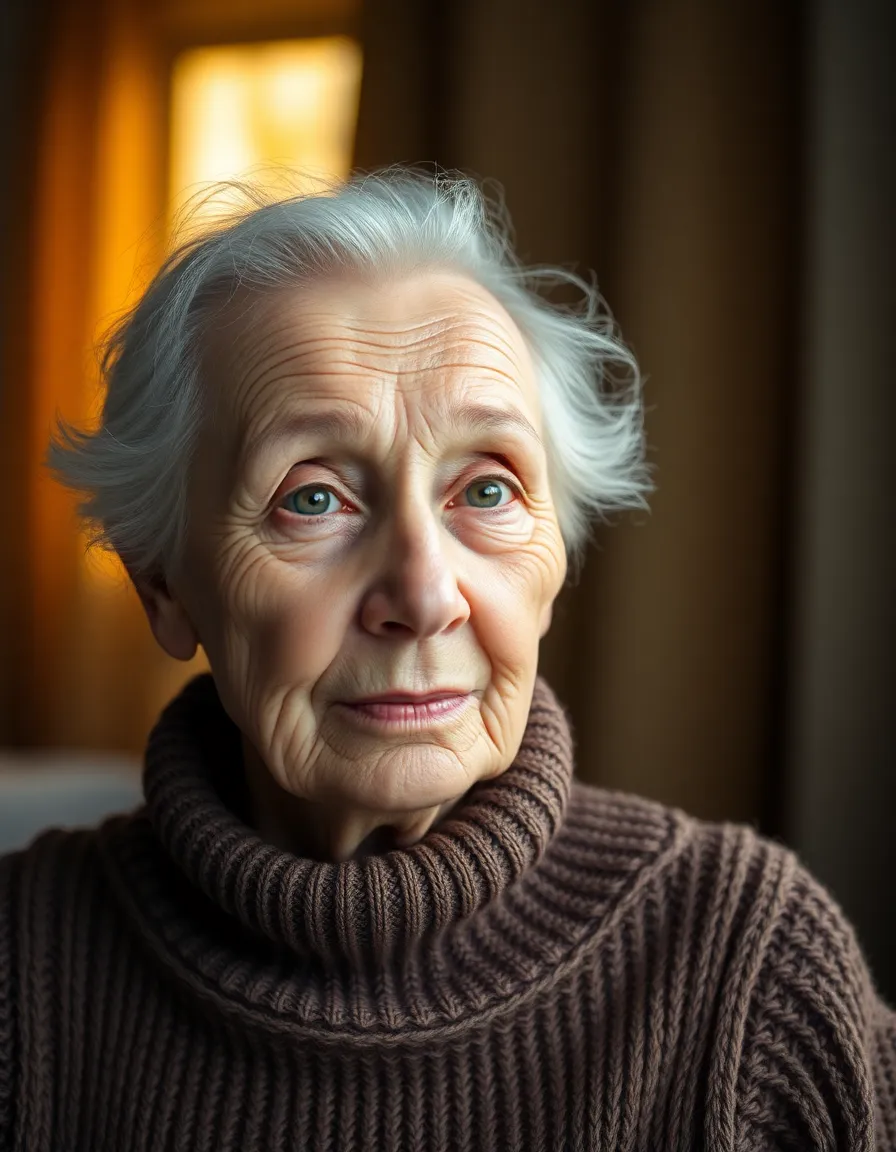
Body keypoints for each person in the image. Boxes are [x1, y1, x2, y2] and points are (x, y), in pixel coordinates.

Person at [1, 168, 893, 1151]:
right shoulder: (18, 976)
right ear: (163, 587)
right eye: (312, 498)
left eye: (487, 490)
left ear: (555, 558)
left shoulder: (751, 972)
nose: (426, 598)